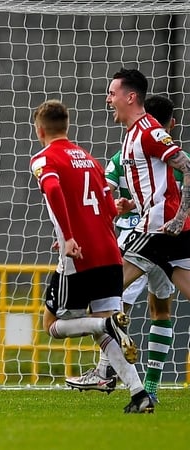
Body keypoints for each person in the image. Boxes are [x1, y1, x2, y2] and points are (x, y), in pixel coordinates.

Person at [31, 99, 153, 413]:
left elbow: (54, 190)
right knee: (105, 329)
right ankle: (139, 395)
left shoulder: (44, 158)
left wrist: (68, 237)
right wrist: (118, 208)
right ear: (67, 126)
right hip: (111, 254)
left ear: (40, 129)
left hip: (79, 257)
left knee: (52, 324)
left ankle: (105, 326)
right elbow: (107, 206)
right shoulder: (88, 159)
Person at [66, 94, 178, 401]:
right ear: (171, 122)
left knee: (109, 305)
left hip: (138, 238)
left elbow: (105, 199)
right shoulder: (170, 160)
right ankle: (150, 387)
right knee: (160, 310)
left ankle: (106, 371)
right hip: (172, 237)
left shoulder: (123, 155)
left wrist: (118, 208)